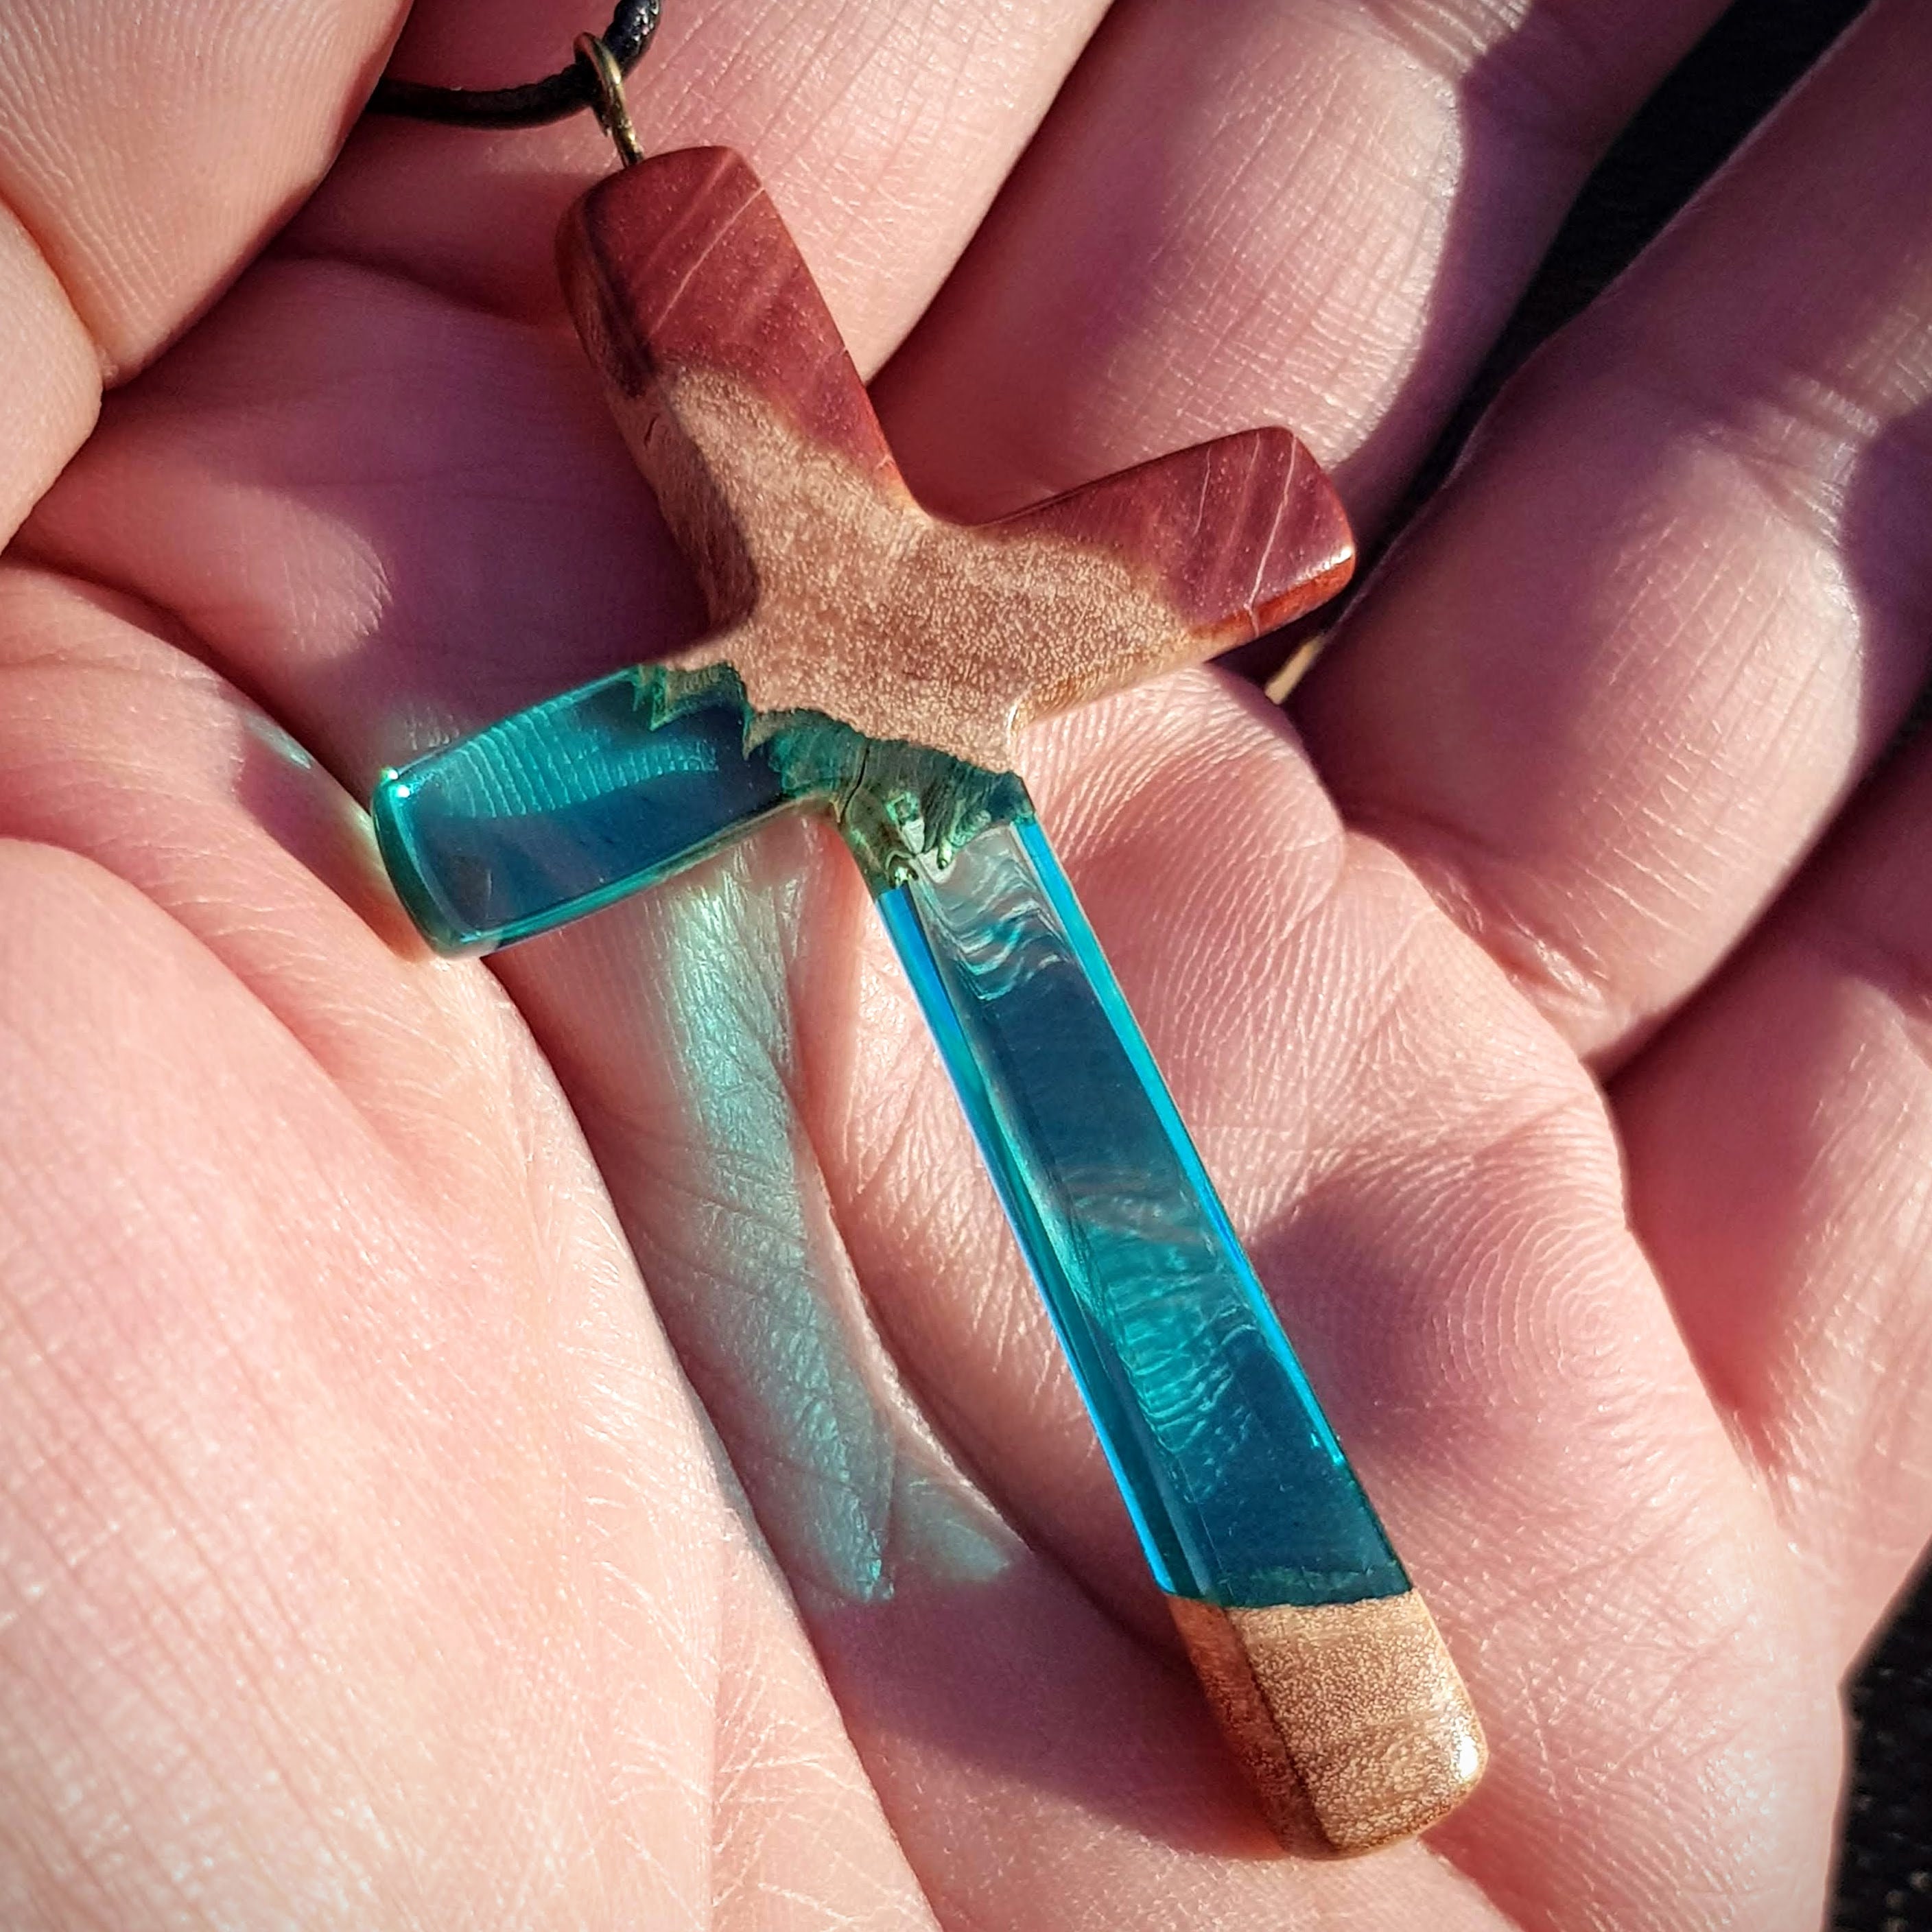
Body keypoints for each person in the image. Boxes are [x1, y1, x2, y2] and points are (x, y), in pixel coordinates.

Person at [0, 1, 1923, 1925]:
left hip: (938, 746)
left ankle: (1322, 1653)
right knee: (1129, 1248)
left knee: (1140, 1253)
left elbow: (457, 850)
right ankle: (1311, 1638)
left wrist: (455, 846)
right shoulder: (851, 650)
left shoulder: (914, 628)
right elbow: (445, 854)